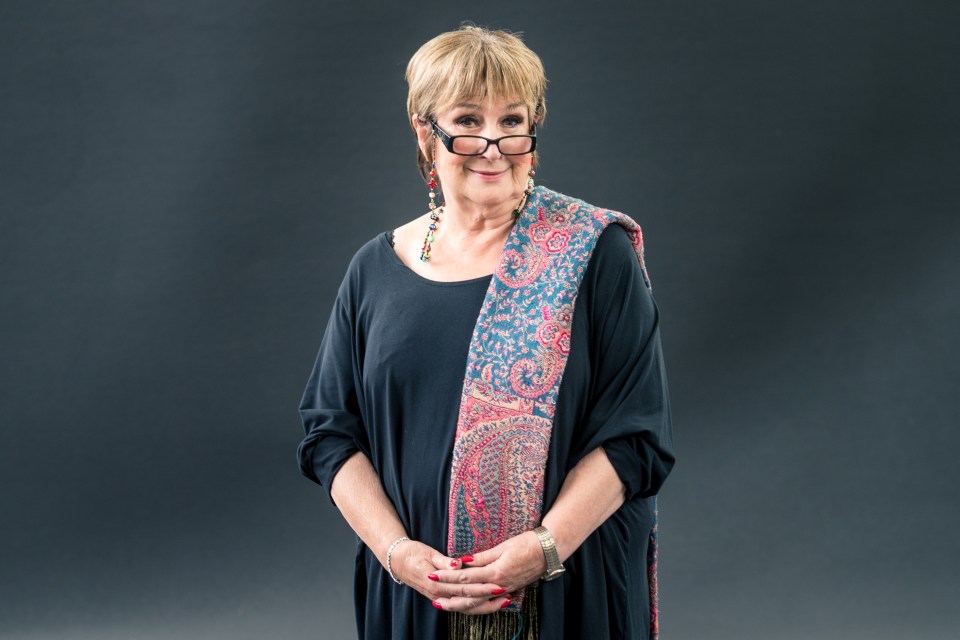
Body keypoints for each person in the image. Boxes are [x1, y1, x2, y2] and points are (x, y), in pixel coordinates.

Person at [298, 25, 675, 640]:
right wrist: (399, 555)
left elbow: (637, 437)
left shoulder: (592, 253)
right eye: (469, 120)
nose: (494, 145)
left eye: (513, 120)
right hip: (416, 596)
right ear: (425, 131)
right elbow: (329, 436)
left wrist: (545, 549)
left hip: (563, 588)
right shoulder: (375, 268)